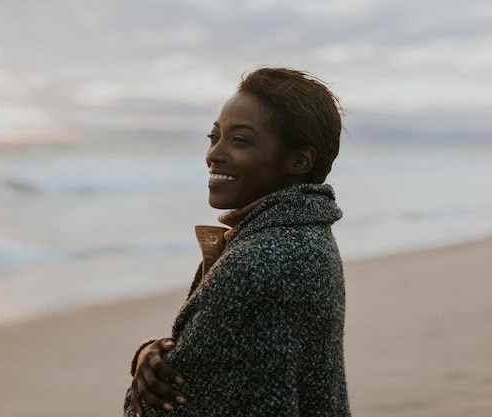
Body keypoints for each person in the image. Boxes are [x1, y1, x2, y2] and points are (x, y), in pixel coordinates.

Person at [124, 67, 350, 416]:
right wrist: (151, 352)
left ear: (299, 160)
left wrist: (143, 380)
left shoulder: (260, 262)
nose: (214, 153)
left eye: (240, 140)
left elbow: (165, 406)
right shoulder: (307, 236)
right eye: (214, 137)